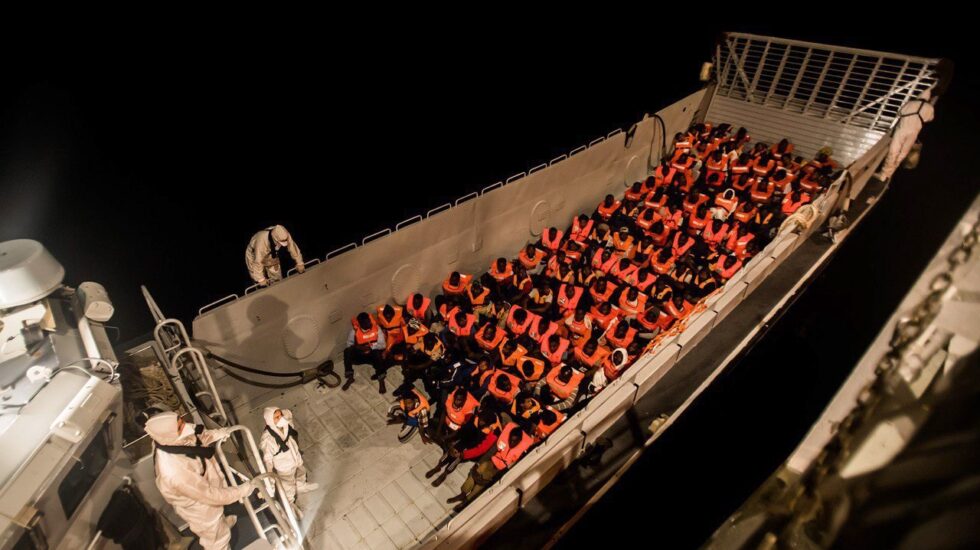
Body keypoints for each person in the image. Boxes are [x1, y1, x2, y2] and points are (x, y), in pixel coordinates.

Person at [144, 411, 264, 550]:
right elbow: (210, 496)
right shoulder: (174, 471)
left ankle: (222, 523)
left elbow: (195, 440)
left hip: (205, 486)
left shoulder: (168, 439)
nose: (186, 426)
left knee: (219, 520)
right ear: (169, 434)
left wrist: (221, 433)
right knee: (216, 538)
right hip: (199, 508)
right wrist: (243, 490)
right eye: (179, 427)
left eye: (181, 421)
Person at [259, 408, 319, 503]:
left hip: (295, 456)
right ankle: (290, 503)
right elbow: (268, 459)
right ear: (270, 421)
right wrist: (270, 478)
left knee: (301, 471)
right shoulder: (268, 440)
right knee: (288, 486)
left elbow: (288, 413)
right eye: (277, 417)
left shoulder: (285, 424)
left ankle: (301, 486)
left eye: (280, 415)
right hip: (284, 467)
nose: (281, 418)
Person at [876, 89, 936, 181]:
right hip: (914, 132)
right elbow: (929, 119)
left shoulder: (910, 103)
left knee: (893, 152)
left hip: (902, 129)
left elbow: (900, 113)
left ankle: (883, 174)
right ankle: (889, 173)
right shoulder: (930, 107)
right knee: (902, 154)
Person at [344, 312, 388, 393]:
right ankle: (350, 377)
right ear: (360, 324)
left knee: (377, 354)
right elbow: (348, 345)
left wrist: (370, 347)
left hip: (372, 356)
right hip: (360, 356)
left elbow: (383, 345)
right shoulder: (354, 332)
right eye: (366, 322)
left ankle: (381, 380)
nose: (369, 323)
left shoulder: (377, 329)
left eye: (369, 321)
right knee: (347, 351)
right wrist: (358, 347)